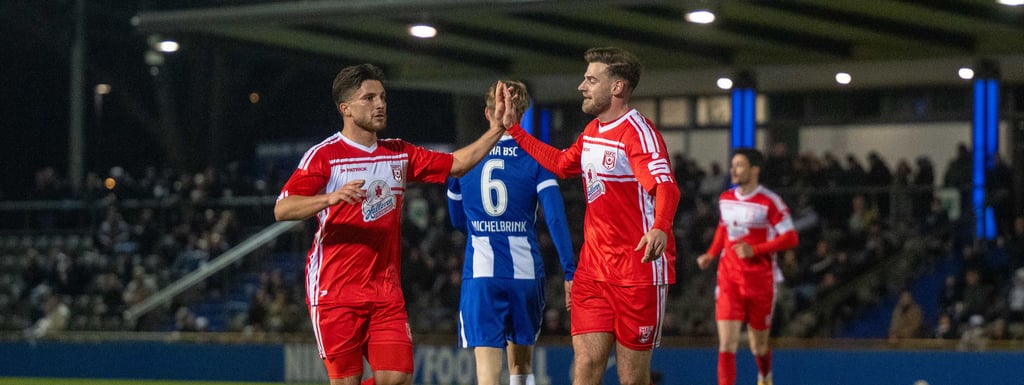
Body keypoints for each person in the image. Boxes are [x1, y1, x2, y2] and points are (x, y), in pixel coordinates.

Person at [273, 64, 517, 385]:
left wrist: (497, 129)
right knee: (346, 381)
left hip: (385, 291)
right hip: (335, 291)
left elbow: (457, 163)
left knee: (398, 376)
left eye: (383, 97)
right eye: (369, 98)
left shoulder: (398, 153)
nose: (380, 104)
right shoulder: (324, 156)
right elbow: (283, 208)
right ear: (345, 108)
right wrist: (328, 199)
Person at [505, 47, 681, 385]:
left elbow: (666, 187)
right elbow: (560, 164)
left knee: (631, 378)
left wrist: (660, 227)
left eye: (590, 79)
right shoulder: (591, 131)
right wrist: (515, 129)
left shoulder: (638, 133)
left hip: (637, 272)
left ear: (616, 88)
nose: (581, 87)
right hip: (593, 270)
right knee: (585, 364)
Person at [446, 80, 577, 385]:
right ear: (523, 112)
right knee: (522, 367)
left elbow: (456, 221)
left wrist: (485, 231)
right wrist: (570, 270)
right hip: (525, 272)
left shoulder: (463, 161)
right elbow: (556, 219)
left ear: (487, 112)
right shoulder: (537, 159)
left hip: (482, 275)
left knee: (487, 373)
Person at [696, 148, 799, 385]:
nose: (733, 170)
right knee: (726, 344)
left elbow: (791, 237)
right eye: (733, 165)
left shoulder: (769, 202)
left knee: (758, 345)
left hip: (760, 282)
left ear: (755, 170)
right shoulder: (726, 199)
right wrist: (711, 255)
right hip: (729, 279)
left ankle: (765, 375)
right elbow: (724, 228)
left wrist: (756, 249)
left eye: (739, 165)